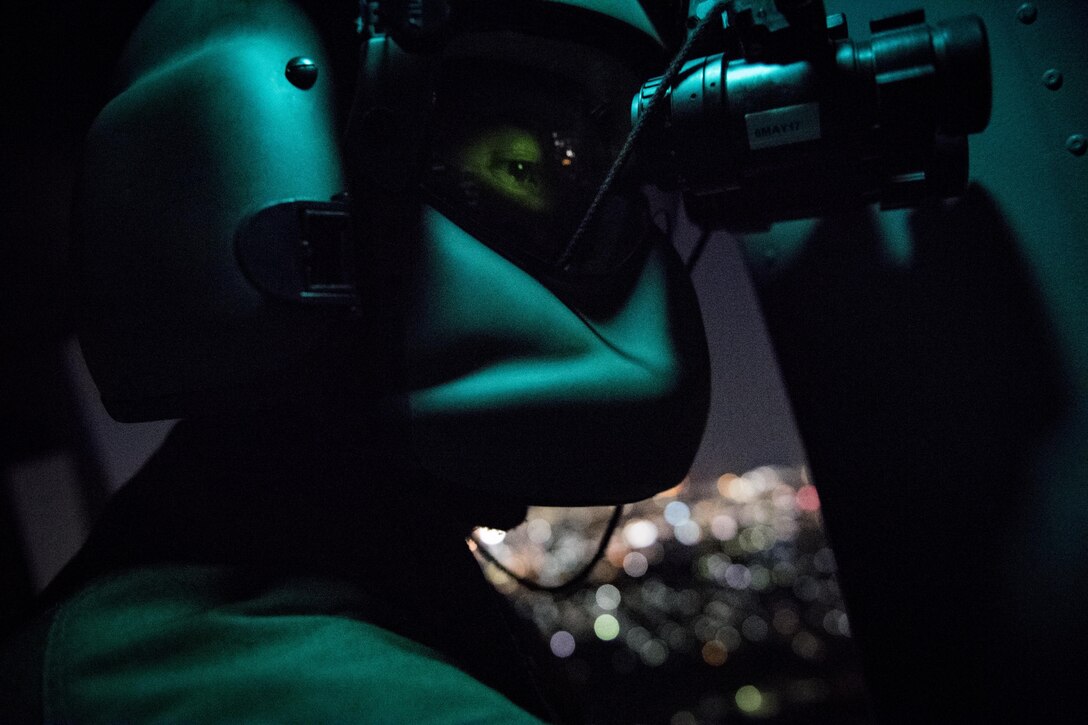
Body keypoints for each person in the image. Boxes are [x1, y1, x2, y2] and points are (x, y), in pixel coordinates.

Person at [1, 0, 710, 721]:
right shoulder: (240, 676)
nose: (612, 234)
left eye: (611, 176)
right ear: (270, 163)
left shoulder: (344, 577)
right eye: (526, 167)